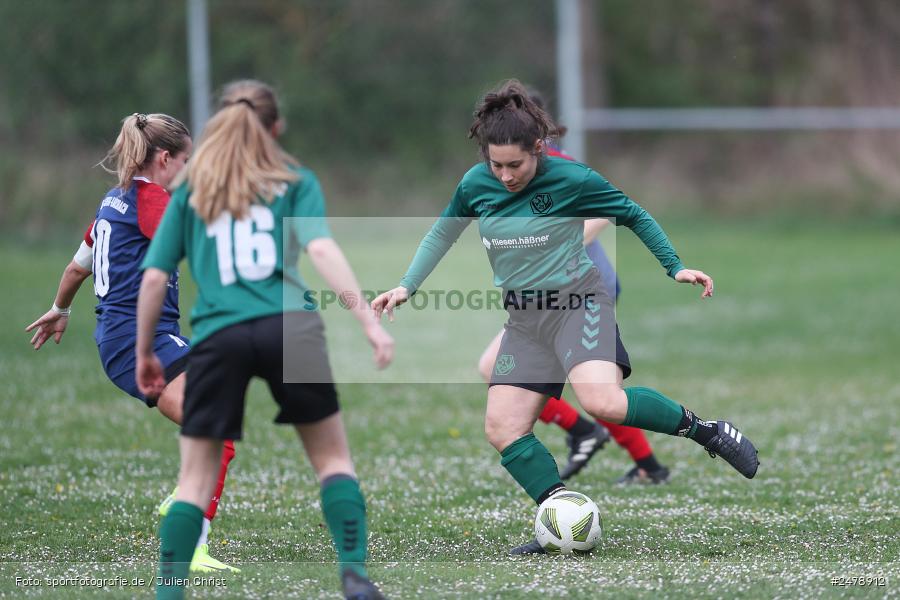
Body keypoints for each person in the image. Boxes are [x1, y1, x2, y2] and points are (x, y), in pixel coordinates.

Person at [373, 79, 759, 555]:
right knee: (502, 428)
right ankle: (558, 515)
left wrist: (674, 266)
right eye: (496, 165)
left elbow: (632, 213)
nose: (506, 176)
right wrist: (405, 286)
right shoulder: (476, 185)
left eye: (515, 165)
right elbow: (440, 235)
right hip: (525, 320)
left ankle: (707, 431)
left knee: (603, 402)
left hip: (578, 303)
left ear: (538, 148)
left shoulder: (570, 178)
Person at [136, 80, 393, 600]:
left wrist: (144, 352)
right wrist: (368, 321)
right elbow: (321, 250)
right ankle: (355, 576)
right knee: (333, 461)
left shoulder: (191, 190)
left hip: (218, 334)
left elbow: (154, 278)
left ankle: (168, 594)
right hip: (290, 329)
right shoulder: (295, 179)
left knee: (193, 480)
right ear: (275, 128)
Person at [25, 112, 238, 572]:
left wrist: (60, 309)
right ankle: (188, 534)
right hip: (140, 341)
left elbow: (77, 268)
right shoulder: (152, 198)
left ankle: (184, 509)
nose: (188, 170)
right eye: (186, 162)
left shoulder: (113, 201)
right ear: (165, 158)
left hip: (126, 339)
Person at [476, 92, 670, 485]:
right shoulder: (510, 168)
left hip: (581, 288)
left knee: (590, 391)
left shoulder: (555, 165)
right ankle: (643, 461)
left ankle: (588, 434)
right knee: (593, 392)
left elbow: (606, 210)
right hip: (545, 297)